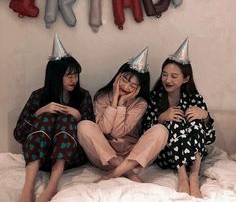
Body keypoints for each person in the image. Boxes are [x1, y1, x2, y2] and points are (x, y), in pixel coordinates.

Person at [14, 34, 94, 202]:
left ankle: (52, 186)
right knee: (47, 117)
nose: (74, 79)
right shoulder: (38, 95)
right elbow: (19, 134)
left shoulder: (83, 96)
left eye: (76, 75)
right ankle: (28, 188)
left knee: (66, 118)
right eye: (69, 75)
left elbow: (92, 134)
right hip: (40, 157)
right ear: (56, 76)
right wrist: (39, 112)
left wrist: (78, 115)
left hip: (70, 157)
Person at [77, 47, 169, 182]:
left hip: (132, 157)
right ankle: (130, 174)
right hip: (104, 156)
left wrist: (121, 103)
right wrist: (114, 99)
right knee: (84, 126)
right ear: (118, 76)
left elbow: (118, 132)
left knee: (161, 130)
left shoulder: (140, 103)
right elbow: (105, 130)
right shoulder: (102, 97)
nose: (126, 87)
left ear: (139, 89)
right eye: (125, 80)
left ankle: (113, 174)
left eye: (132, 85)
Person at [143, 38, 216, 198]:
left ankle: (194, 176)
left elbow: (209, 138)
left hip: (194, 154)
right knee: (173, 119)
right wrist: (161, 118)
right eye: (164, 75)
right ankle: (182, 176)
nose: (167, 80)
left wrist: (205, 117)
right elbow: (145, 135)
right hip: (167, 156)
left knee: (195, 120)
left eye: (174, 76)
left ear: (185, 79)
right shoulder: (155, 98)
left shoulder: (195, 99)